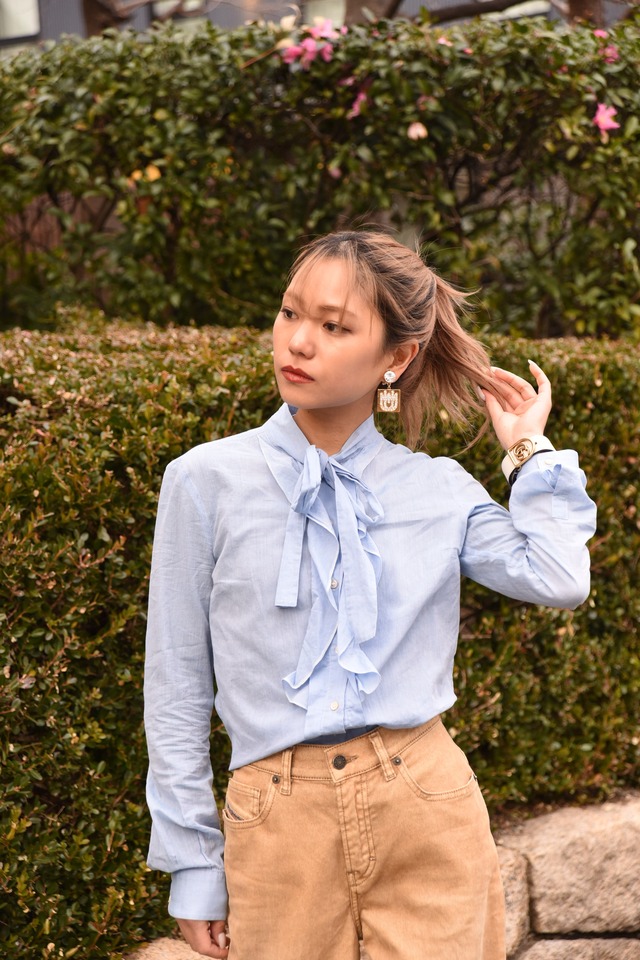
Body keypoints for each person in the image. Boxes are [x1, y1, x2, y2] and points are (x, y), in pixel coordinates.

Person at [143, 230, 596, 960]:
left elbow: (558, 577)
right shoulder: (205, 481)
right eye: (291, 314)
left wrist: (527, 452)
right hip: (276, 820)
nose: (299, 341)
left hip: (426, 807)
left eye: (334, 326)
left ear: (397, 358)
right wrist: (193, 865)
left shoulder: (438, 487)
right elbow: (176, 685)